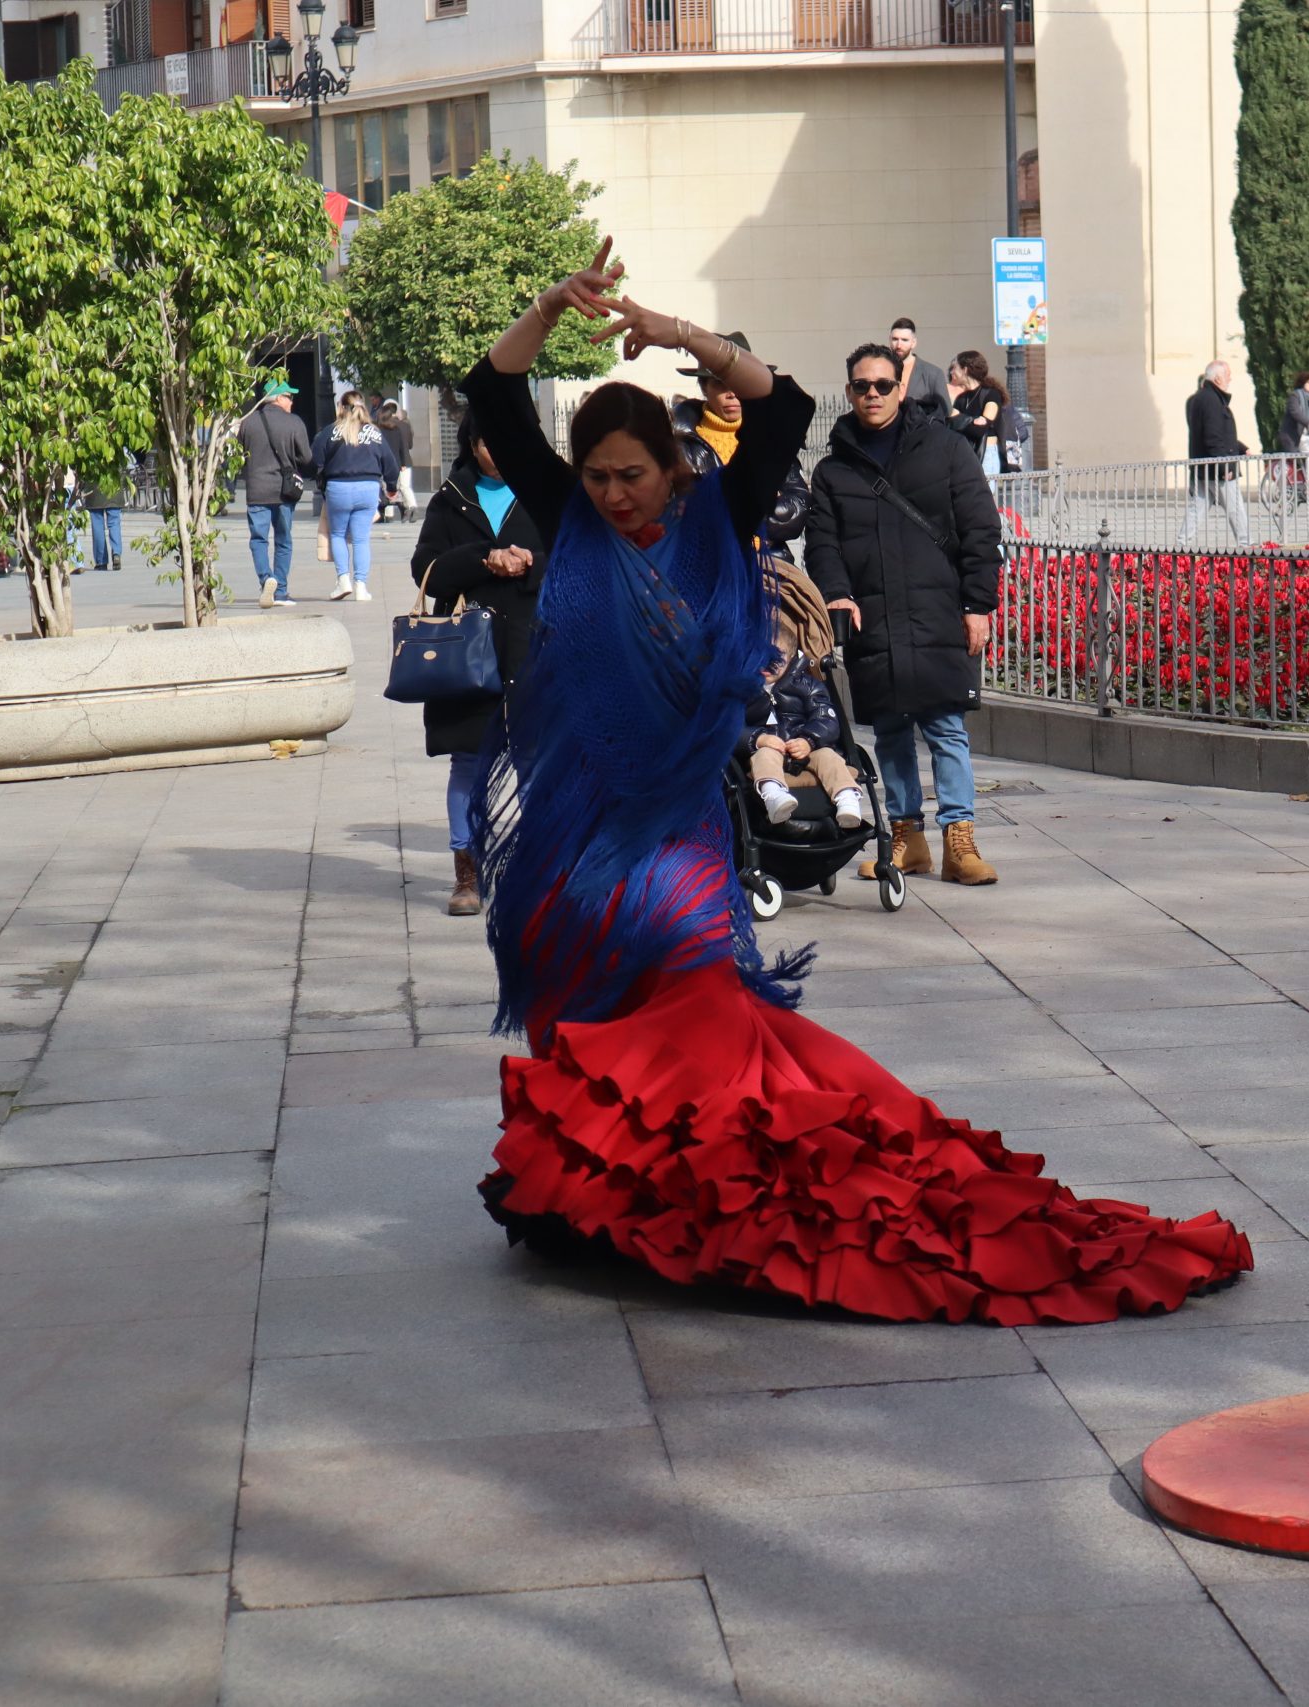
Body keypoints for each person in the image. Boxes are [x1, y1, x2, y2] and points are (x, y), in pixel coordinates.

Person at [463, 240, 1249, 1324]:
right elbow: (494, 394)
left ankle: (709, 1198)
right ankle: (601, 1203)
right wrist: (552, 304)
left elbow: (781, 407)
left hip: (680, 829)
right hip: (581, 825)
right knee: (592, 1003)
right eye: (595, 478)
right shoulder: (570, 522)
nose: (610, 496)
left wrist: (684, 337)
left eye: (629, 476)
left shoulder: (709, 525)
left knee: (692, 1003)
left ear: (673, 473)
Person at [806, 342, 1004, 887]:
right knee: (890, 731)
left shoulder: (944, 448)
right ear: (849, 392)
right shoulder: (832, 469)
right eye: (862, 386)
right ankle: (907, 840)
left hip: (938, 611)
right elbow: (823, 544)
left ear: (901, 388)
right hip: (874, 619)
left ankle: (958, 840)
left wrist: (978, 604)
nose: (872, 394)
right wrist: (837, 593)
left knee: (946, 729)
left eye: (883, 385)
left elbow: (982, 529)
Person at [411, 408, 546, 919]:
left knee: (537, 763)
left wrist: (529, 562)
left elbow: (578, 556)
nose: (499, 452)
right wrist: (482, 560)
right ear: (472, 443)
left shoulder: (545, 493)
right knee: (468, 763)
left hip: (534, 645)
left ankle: (541, 868)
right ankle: (466, 872)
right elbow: (425, 567)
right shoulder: (450, 499)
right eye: (489, 441)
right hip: (469, 655)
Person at [672, 330, 811, 557]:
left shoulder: (770, 435)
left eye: (737, 383)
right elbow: (680, 515)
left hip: (771, 566)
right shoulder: (678, 443)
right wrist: (760, 504)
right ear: (704, 387)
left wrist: (730, 513)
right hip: (703, 564)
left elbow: (798, 509)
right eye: (720, 384)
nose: (732, 393)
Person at [748, 646, 868, 829]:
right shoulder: (744, 691)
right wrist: (759, 738)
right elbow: (730, 728)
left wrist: (809, 739)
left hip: (808, 748)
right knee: (763, 756)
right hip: (771, 750)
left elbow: (826, 720)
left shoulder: (808, 685)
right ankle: (774, 796)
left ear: (790, 658)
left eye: (775, 658)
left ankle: (847, 798)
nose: (767, 663)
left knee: (829, 756)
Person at [314, 390, 398, 601]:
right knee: (361, 539)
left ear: (341, 408)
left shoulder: (330, 431)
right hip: (368, 488)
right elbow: (391, 464)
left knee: (338, 535)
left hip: (338, 488)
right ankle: (361, 586)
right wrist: (391, 486)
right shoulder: (375, 432)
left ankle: (343, 580)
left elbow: (314, 457)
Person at [240, 377, 312, 607]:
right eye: (289, 397)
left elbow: (239, 452)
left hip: (256, 489)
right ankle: (280, 590)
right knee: (283, 539)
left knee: (258, 539)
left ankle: (266, 579)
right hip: (284, 490)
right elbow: (306, 457)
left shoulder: (248, 422)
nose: (292, 402)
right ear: (279, 398)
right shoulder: (294, 423)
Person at [1176, 361, 1251, 546]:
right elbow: (1213, 436)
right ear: (1217, 378)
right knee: (1235, 508)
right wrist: (1224, 465)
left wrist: (1241, 448)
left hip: (1205, 468)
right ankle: (1246, 545)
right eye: (1227, 375)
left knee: (1197, 508)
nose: (1230, 379)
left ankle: (1181, 544)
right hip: (1217, 468)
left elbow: (1219, 434)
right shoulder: (1212, 400)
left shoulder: (1203, 398)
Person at [947, 349, 1007, 480]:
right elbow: (950, 425)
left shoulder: (991, 394)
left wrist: (958, 417)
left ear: (965, 370)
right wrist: (971, 420)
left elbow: (979, 431)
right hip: (964, 453)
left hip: (986, 453)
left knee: (984, 497)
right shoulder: (961, 398)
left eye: (954, 368)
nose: (951, 372)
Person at [886, 317, 950, 416]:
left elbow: (945, 412)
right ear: (889, 340)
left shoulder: (933, 374)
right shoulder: (881, 370)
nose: (899, 345)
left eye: (904, 340)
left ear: (914, 343)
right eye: (895, 339)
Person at [374, 400, 419, 523]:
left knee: (391, 486)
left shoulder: (378, 430)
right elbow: (406, 446)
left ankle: (391, 513)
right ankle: (409, 508)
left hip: (388, 463)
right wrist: (404, 463)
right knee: (403, 486)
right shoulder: (401, 426)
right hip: (400, 462)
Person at [84, 456, 128, 573]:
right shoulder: (115, 444)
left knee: (97, 525)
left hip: (94, 490)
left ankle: (101, 561)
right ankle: (116, 552)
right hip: (114, 489)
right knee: (114, 523)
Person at [1284, 371, 1309, 487]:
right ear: (1303, 384)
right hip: (1293, 436)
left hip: (1305, 436)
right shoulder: (1295, 397)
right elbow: (1296, 413)